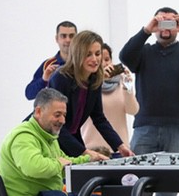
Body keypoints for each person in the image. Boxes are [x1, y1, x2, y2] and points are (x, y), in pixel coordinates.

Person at [119, 7, 179, 155]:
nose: (165, 28)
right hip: (145, 124)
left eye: (171, 23)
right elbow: (125, 56)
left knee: (172, 175)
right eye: (161, 22)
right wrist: (146, 30)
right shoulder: (144, 52)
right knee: (137, 172)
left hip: (178, 126)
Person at [0, 88, 103, 195]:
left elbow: (64, 163)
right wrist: (59, 163)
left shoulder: (49, 136)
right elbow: (34, 167)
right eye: (57, 115)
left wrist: (89, 161)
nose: (62, 120)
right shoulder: (23, 136)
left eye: (64, 115)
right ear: (38, 112)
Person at [48, 30, 134, 159]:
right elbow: (55, 124)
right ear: (78, 54)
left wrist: (120, 146)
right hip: (50, 137)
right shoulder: (61, 77)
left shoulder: (94, 79)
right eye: (88, 54)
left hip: (71, 137)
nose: (95, 59)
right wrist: (85, 152)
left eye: (97, 54)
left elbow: (98, 117)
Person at [81, 43, 139, 152]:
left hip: (119, 148)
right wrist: (99, 80)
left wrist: (128, 88)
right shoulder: (87, 85)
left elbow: (133, 110)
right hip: (92, 148)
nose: (104, 63)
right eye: (100, 59)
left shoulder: (121, 82)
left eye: (107, 59)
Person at [25, 21, 77, 100]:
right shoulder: (48, 64)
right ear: (57, 39)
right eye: (63, 36)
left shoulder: (84, 63)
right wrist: (44, 80)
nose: (68, 40)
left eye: (71, 36)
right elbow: (29, 94)